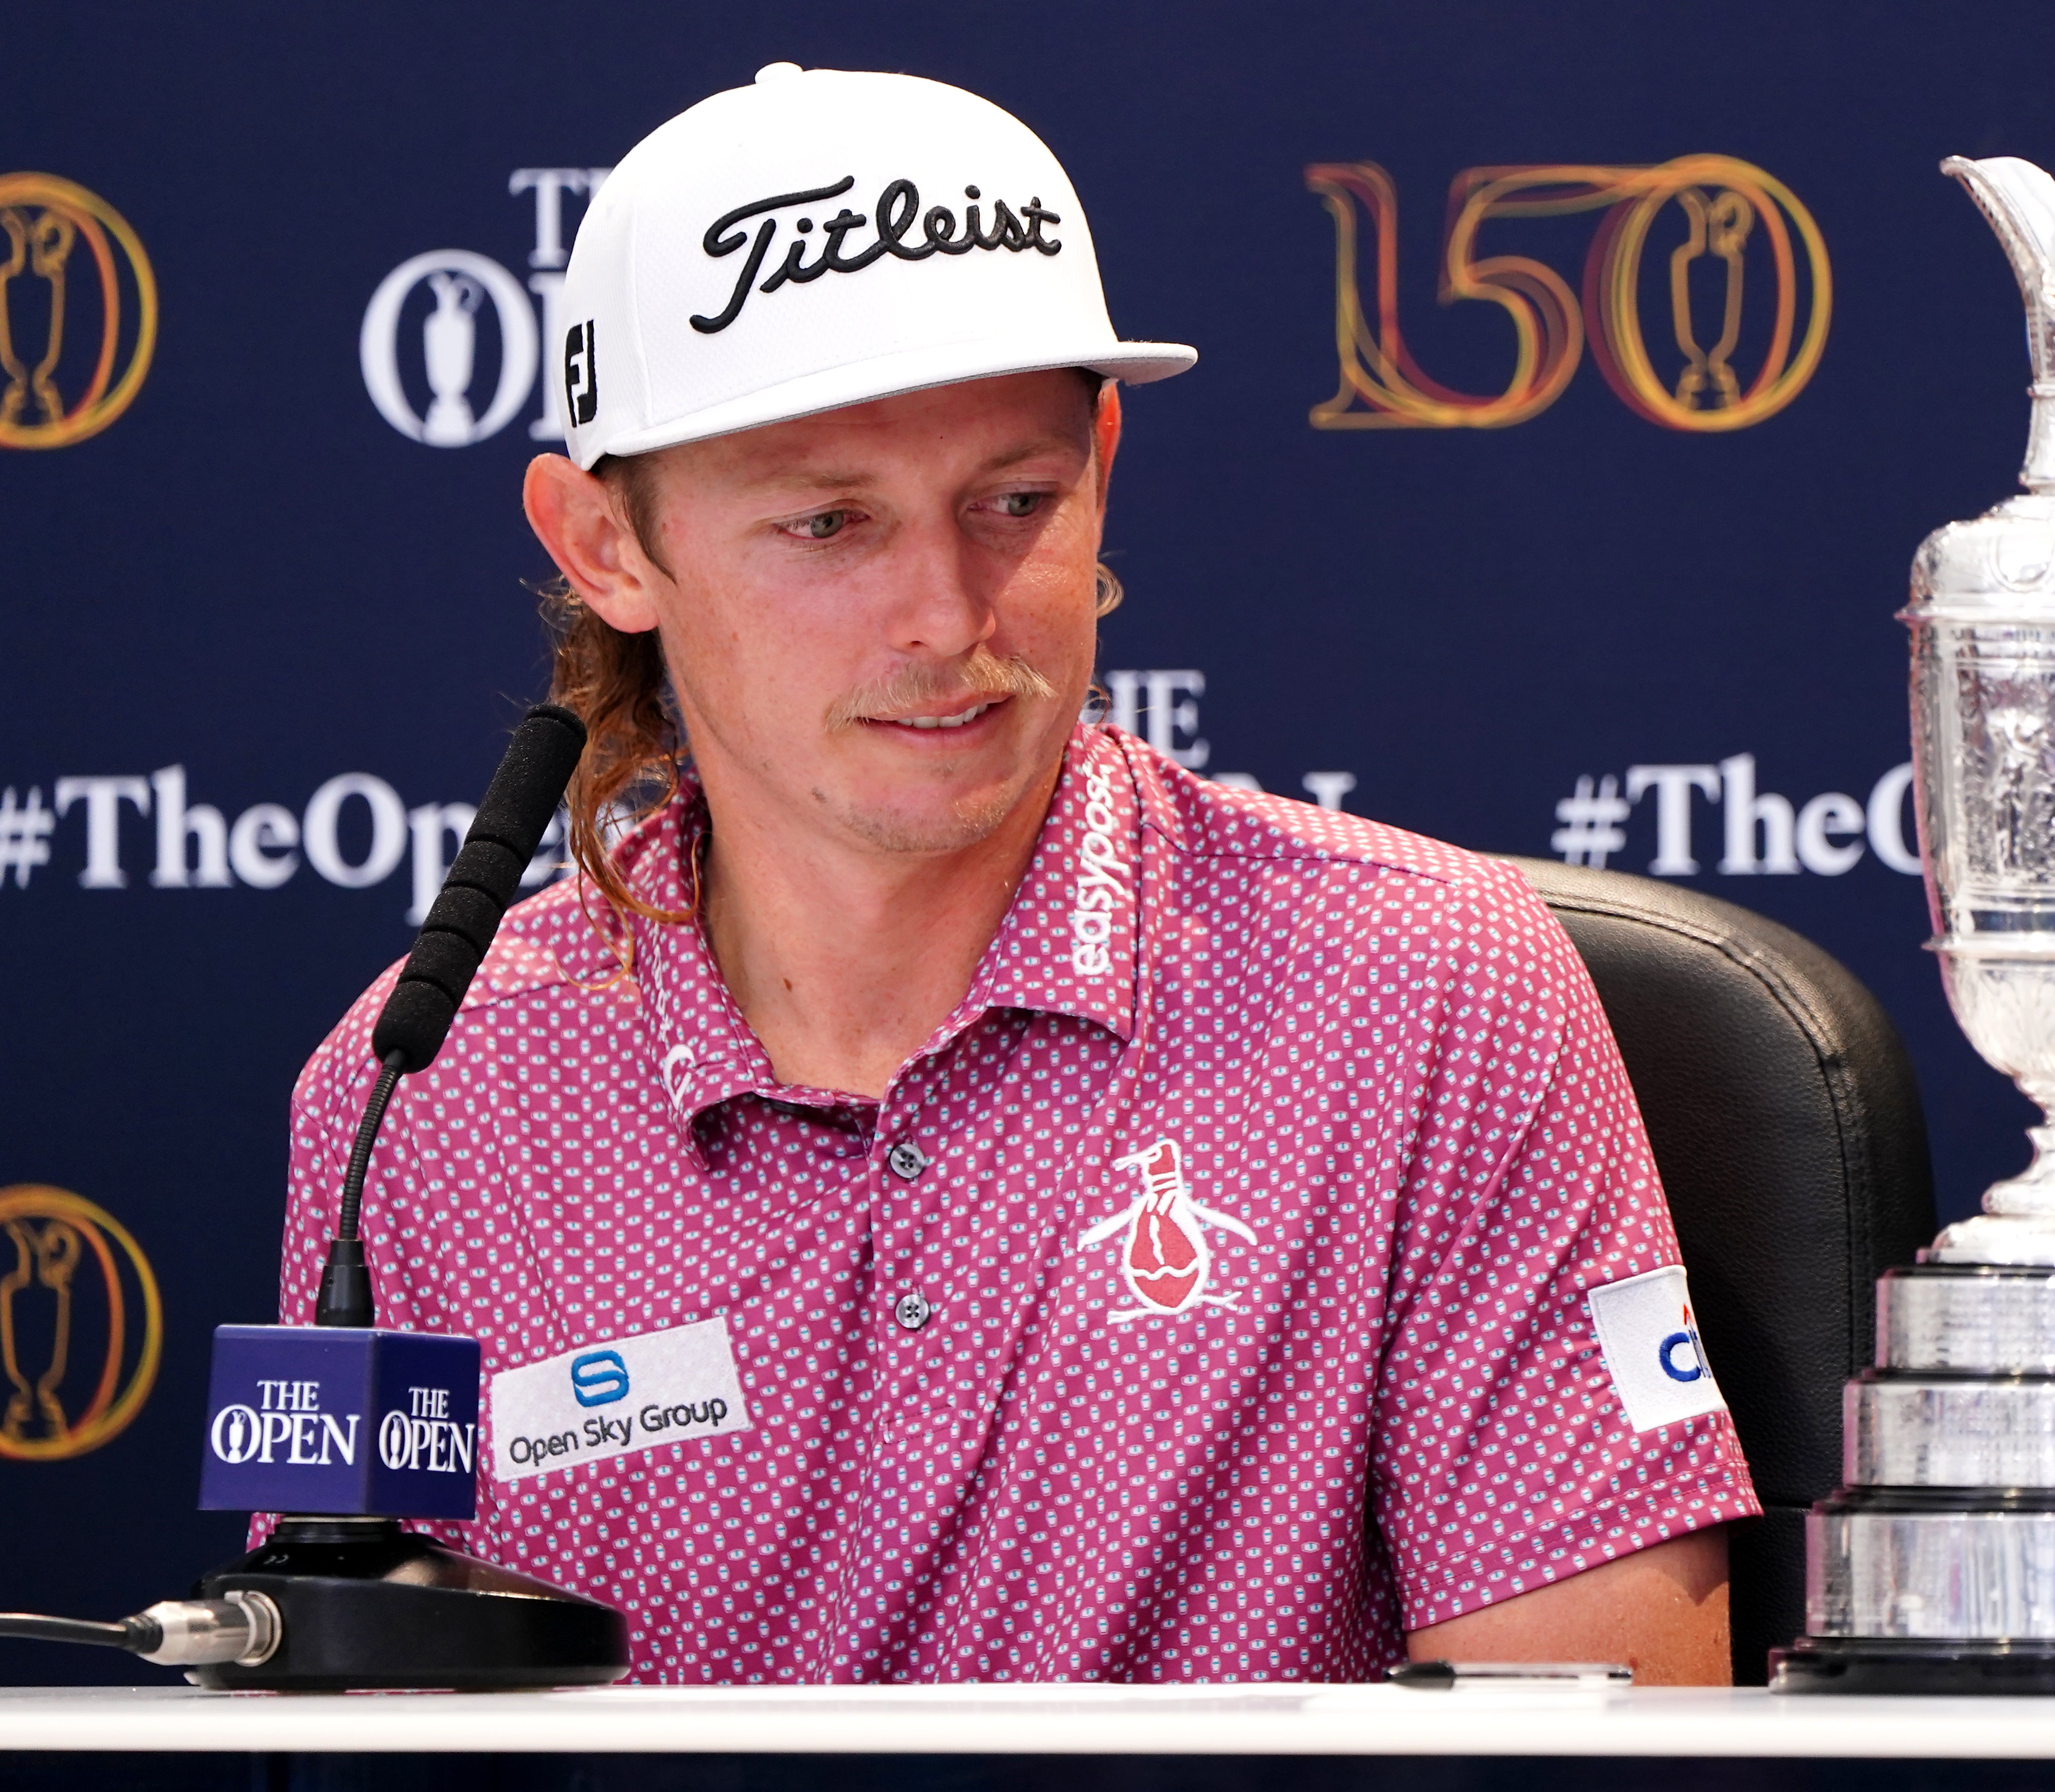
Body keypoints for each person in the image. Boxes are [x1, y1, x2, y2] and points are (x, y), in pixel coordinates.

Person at [276, 63, 1756, 1685]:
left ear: (1103, 456)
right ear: (605, 546)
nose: (946, 617)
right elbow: (362, 1715)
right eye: (829, 525)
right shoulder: (419, 1092)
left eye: (1014, 501)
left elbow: (1600, 1737)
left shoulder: (1421, 989)